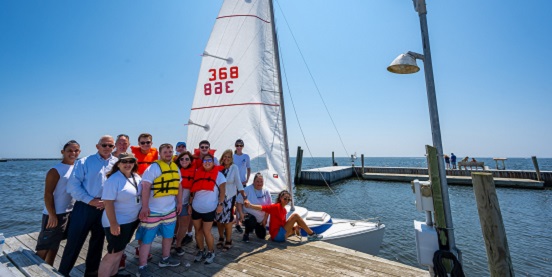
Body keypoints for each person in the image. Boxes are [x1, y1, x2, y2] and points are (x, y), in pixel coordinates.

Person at [59, 135, 118, 277]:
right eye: (104, 145)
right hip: (84, 207)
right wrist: (90, 200)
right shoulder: (84, 162)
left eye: (110, 146)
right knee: (74, 243)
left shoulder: (117, 163)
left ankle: (91, 273)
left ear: (114, 147)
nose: (107, 148)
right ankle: (62, 273)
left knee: (97, 244)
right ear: (97, 146)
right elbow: (72, 186)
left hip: (105, 209)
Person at [135, 143, 182, 276]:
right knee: (147, 239)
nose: (168, 154)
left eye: (170, 151)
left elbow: (179, 186)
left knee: (168, 237)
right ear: (160, 154)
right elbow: (145, 187)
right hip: (153, 211)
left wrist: (179, 202)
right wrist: (145, 207)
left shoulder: (175, 168)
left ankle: (165, 259)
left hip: (170, 210)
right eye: (166, 151)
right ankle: (142, 266)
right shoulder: (153, 168)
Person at [36, 140, 80, 266]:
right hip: (55, 214)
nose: (73, 153)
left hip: (69, 212)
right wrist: (52, 215)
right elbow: (48, 194)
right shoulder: (55, 170)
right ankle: (34, 271)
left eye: (76, 150)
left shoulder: (76, 168)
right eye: (70, 150)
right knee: (44, 246)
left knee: (55, 244)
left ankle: (48, 269)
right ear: (63, 152)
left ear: (79, 152)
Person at [98, 153, 141, 277]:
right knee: (113, 253)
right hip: (117, 222)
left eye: (131, 161)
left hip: (130, 220)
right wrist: (114, 224)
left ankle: (114, 274)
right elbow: (108, 203)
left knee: (120, 250)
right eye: (124, 161)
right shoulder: (113, 180)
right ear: (118, 164)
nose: (128, 164)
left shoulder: (136, 176)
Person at [188, 153, 226, 264]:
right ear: (202, 162)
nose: (207, 162)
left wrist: (221, 204)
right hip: (196, 206)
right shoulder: (197, 173)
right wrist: (190, 205)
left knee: (206, 231)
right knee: (197, 231)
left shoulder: (219, 175)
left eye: (210, 160)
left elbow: (223, 191)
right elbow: (193, 191)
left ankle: (211, 251)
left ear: (213, 162)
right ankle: (201, 250)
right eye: (205, 161)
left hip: (210, 208)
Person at [244, 190, 323, 243]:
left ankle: (296, 231)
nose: (287, 201)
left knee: (295, 226)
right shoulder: (276, 207)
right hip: (276, 236)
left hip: (279, 234)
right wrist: (250, 205)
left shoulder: (284, 210)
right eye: (285, 198)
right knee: (295, 216)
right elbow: (262, 208)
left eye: (289, 199)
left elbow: (283, 224)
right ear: (280, 198)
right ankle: (312, 235)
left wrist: (293, 227)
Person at [215, 149, 246, 252]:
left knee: (227, 220)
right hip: (218, 198)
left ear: (231, 159)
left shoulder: (234, 168)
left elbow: (238, 182)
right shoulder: (219, 168)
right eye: (225, 156)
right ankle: (221, 238)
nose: (226, 158)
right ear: (222, 157)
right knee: (219, 219)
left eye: (229, 157)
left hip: (229, 197)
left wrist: (243, 194)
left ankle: (229, 240)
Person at [237, 173, 270, 242]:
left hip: (260, 219)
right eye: (257, 181)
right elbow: (238, 202)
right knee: (250, 220)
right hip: (249, 215)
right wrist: (241, 213)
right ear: (253, 181)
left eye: (261, 182)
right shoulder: (247, 190)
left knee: (262, 235)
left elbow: (269, 207)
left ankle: (255, 227)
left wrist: (265, 219)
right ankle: (246, 233)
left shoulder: (266, 191)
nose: (259, 183)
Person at [173, 151, 195, 256]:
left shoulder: (194, 172)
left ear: (190, 161)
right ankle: (171, 241)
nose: (184, 161)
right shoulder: (173, 171)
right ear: (178, 160)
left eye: (187, 159)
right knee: (173, 225)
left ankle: (178, 244)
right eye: (182, 159)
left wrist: (190, 204)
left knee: (184, 225)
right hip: (171, 204)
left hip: (185, 203)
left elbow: (193, 191)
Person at [233, 139, 250, 234]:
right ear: (235, 146)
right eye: (237, 145)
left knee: (241, 202)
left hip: (242, 183)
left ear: (243, 146)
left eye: (240, 145)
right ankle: (236, 223)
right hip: (233, 184)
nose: (239, 147)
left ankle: (239, 222)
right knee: (233, 203)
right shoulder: (232, 156)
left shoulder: (246, 156)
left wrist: (247, 179)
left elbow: (249, 168)